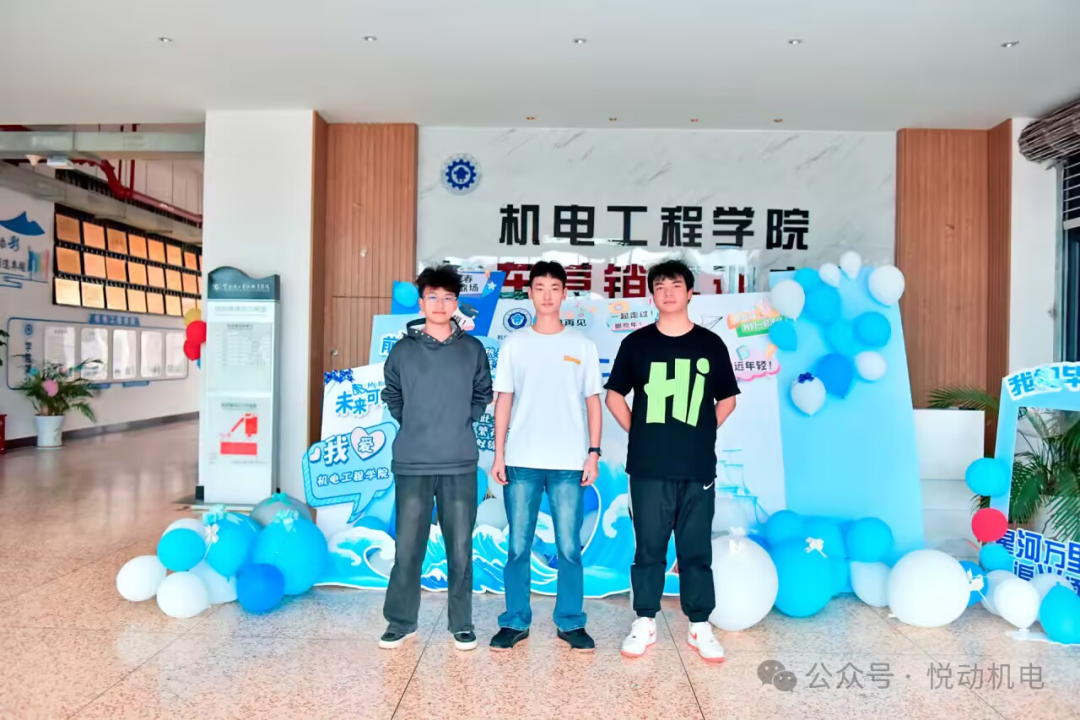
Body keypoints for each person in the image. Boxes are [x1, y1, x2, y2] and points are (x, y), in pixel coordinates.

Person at [604, 259, 739, 664]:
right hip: (648, 467)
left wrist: (700, 433)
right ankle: (645, 621)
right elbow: (614, 396)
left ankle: (699, 626)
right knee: (649, 547)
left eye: (675, 285)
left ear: (690, 292)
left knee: (695, 549)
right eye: (659, 286)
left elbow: (727, 399)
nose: (667, 292)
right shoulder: (637, 343)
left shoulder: (710, 344)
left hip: (697, 467)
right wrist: (642, 432)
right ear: (651, 295)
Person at [489, 261, 603, 652]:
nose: (548, 295)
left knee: (569, 548)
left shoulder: (582, 346)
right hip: (521, 459)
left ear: (565, 294)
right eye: (540, 287)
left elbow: (593, 402)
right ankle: (514, 620)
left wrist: (593, 453)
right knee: (518, 546)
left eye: (555, 287)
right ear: (530, 294)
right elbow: (504, 400)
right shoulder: (515, 344)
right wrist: (499, 454)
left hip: (570, 462)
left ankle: (570, 622)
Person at [379, 265, 493, 652]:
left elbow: (482, 393)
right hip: (412, 462)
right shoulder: (403, 350)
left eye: (448, 297)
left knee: (459, 549)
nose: (440, 304)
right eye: (433, 297)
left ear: (456, 303)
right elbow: (392, 394)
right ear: (421, 302)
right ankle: (400, 622)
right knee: (407, 547)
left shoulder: (472, 349)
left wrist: (462, 421)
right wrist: (412, 422)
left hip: (459, 462)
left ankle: (461, 623)